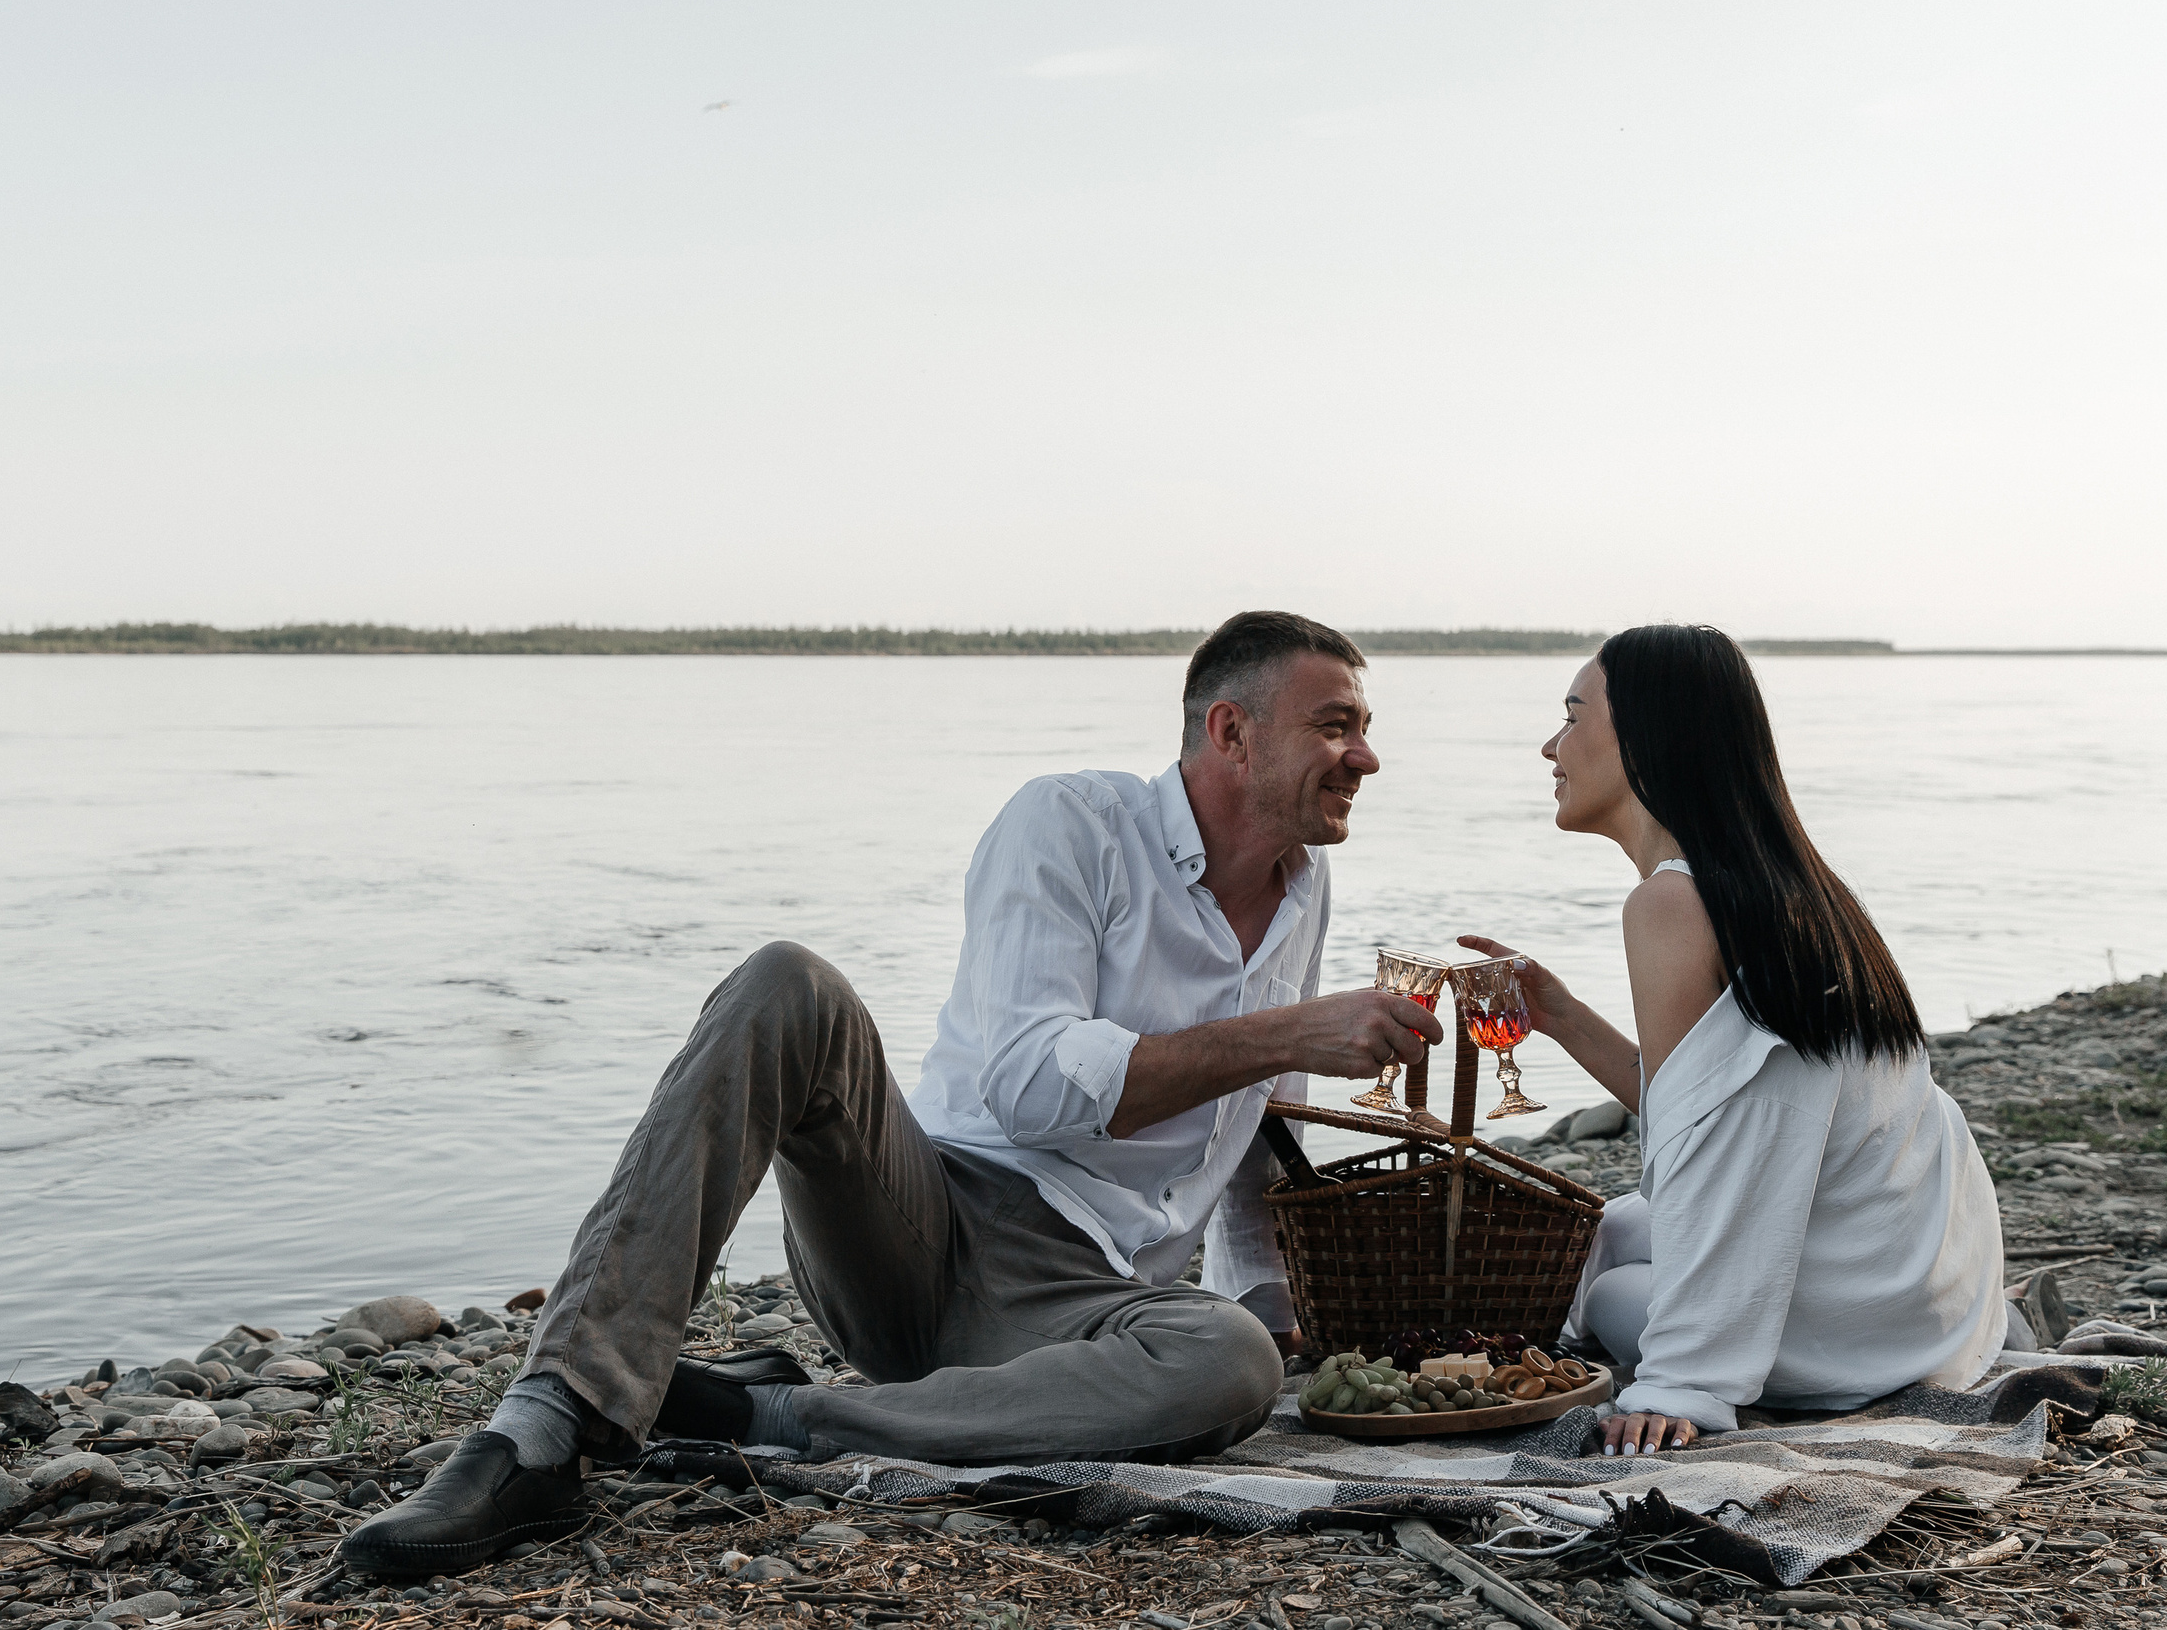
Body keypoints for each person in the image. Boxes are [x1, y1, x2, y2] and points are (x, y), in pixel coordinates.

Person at [342, 610, 1443, 1576]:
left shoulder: (1305, 887)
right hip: (930, 1224)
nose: (1367, 755)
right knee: (789, 980)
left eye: (1361, 726)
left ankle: (763, 1411)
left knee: (1231, 1361)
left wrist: (1263, 1301)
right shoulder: (1069, 823)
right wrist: (1288, 1028)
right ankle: (541, 1427)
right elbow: (1024, 1088)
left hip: (1082, 1304)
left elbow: (1264, 1126)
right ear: (1230, 730)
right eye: (1336, 724)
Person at [1462, 624, 2004, 1457]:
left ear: (1648, 737)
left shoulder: (1671, 905)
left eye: (1573, 717)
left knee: (1610, 1294)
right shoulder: (1793, 887)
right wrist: (1560, 1014)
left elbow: (1730, 1160)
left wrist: (1685, 1380)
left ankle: (1713, 1354)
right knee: (1609, 1228)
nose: (1551, 745)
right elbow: (1709, 1112)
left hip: (1859, 1333)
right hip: (1925, 1294)